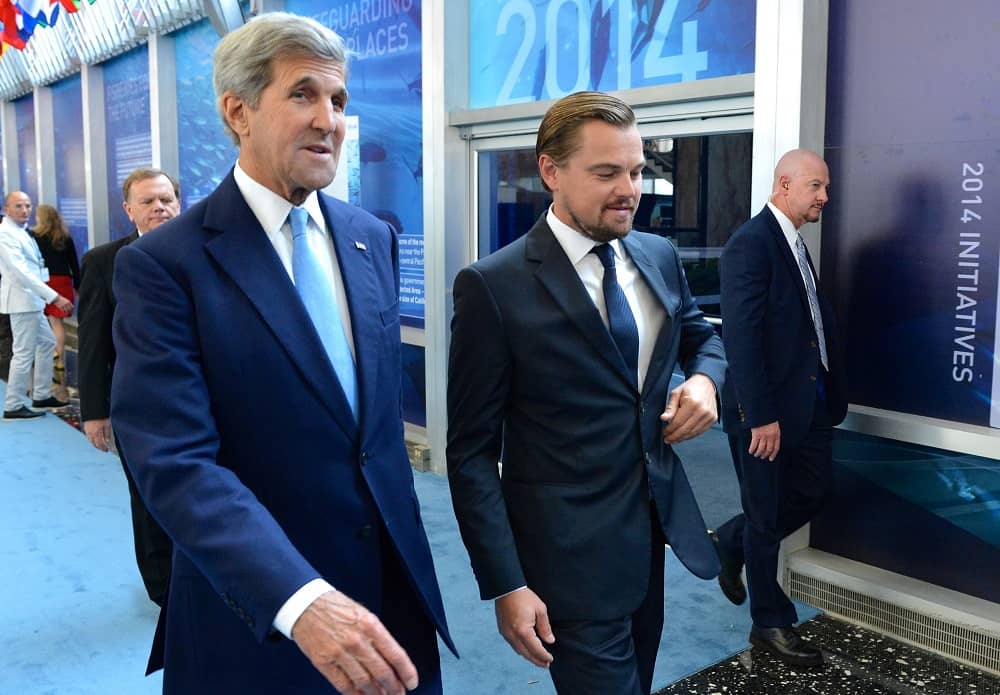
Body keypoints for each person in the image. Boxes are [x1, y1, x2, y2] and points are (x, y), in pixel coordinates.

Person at [109, 13, 453, 694]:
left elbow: (370, 437)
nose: (329, 118)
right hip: (257, 618)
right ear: (238, 111)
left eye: (339, 100)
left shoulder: (371, 237)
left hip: (393, 609)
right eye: (303, 94)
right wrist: (298, 598)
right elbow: (175, 462)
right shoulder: (165, 265)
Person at [447, 91, 726, 695]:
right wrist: (506, 582)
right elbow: (469, 453)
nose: (629, 188)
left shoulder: (657, 255)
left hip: (651, 536)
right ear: (551, 170)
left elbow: (703, 339)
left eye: (635, 169)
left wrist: (706, 381)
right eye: (606, 173)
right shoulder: (492, 287)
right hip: (563, 559)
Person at [712, 149, 848, 666]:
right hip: (764, 414)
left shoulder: (793, 243)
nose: (824, 198)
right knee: (767, 517)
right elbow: (742, 339)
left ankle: (730, 539)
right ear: (785, 184)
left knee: (814, 491)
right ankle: (770, 623)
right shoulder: (750, 245)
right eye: (817, 187)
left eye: (826, 188)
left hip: (810, 405)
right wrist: (759, 415)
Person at [77, 168, 181, 607]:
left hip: (204, 400)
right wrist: (94, 411)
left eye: (167, 199)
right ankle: (165, 591)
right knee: (149, 497)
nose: (159, 207)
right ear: (129, 209)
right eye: (149, 201)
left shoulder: (206, 251)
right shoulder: (104, 262)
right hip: (137, 405)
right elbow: (93, 339)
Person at [0, 191, 72, 419]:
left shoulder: (22, 232)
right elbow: (21, 273)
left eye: (28, 206)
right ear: (6, 209)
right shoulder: (5, 234)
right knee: (22, 353)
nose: (24, 210)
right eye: (18, 206)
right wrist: (55, 297)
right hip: (22, 301)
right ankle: (13, 404)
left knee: (47, 342)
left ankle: (40, 395)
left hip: (33, 300)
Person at [31, 204, 80, 372]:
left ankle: (44, 358)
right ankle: (59, 359)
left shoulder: (34, 236)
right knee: (57, 322)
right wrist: (77, 286)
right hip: (63, 281)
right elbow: (74, 263)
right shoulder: (64, 237)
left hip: (43, 281)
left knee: (41, 322)